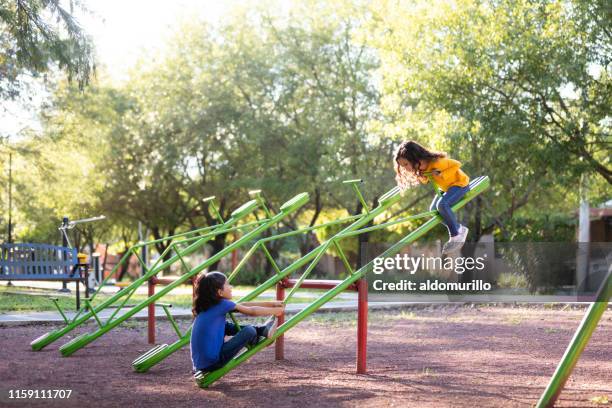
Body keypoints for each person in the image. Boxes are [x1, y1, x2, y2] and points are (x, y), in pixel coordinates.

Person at [190, 271, 284, 374]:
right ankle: (259, 333)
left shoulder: (209, 306)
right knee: (249, 331)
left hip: (201, 365)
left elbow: (242, 304)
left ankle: (262, 331)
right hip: (213, 362)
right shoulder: (222, 304)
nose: (231, 287)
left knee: (226, 326)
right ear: (220, 292)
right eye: (227, 284)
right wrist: (275, 311)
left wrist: (271, 304)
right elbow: (252, 311)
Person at [394, 140, 470, 254]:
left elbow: (456, 164)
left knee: (442, 205)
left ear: (414, 157)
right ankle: (458, 228)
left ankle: (455, 235)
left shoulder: (437, 162)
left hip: (459, 184)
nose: (405, 168)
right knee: (433, 210)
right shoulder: (422, 168)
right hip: (446, 188)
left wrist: (441, 174)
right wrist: (423, 175)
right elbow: (426, 180)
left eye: (406, 164)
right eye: (402, 166)